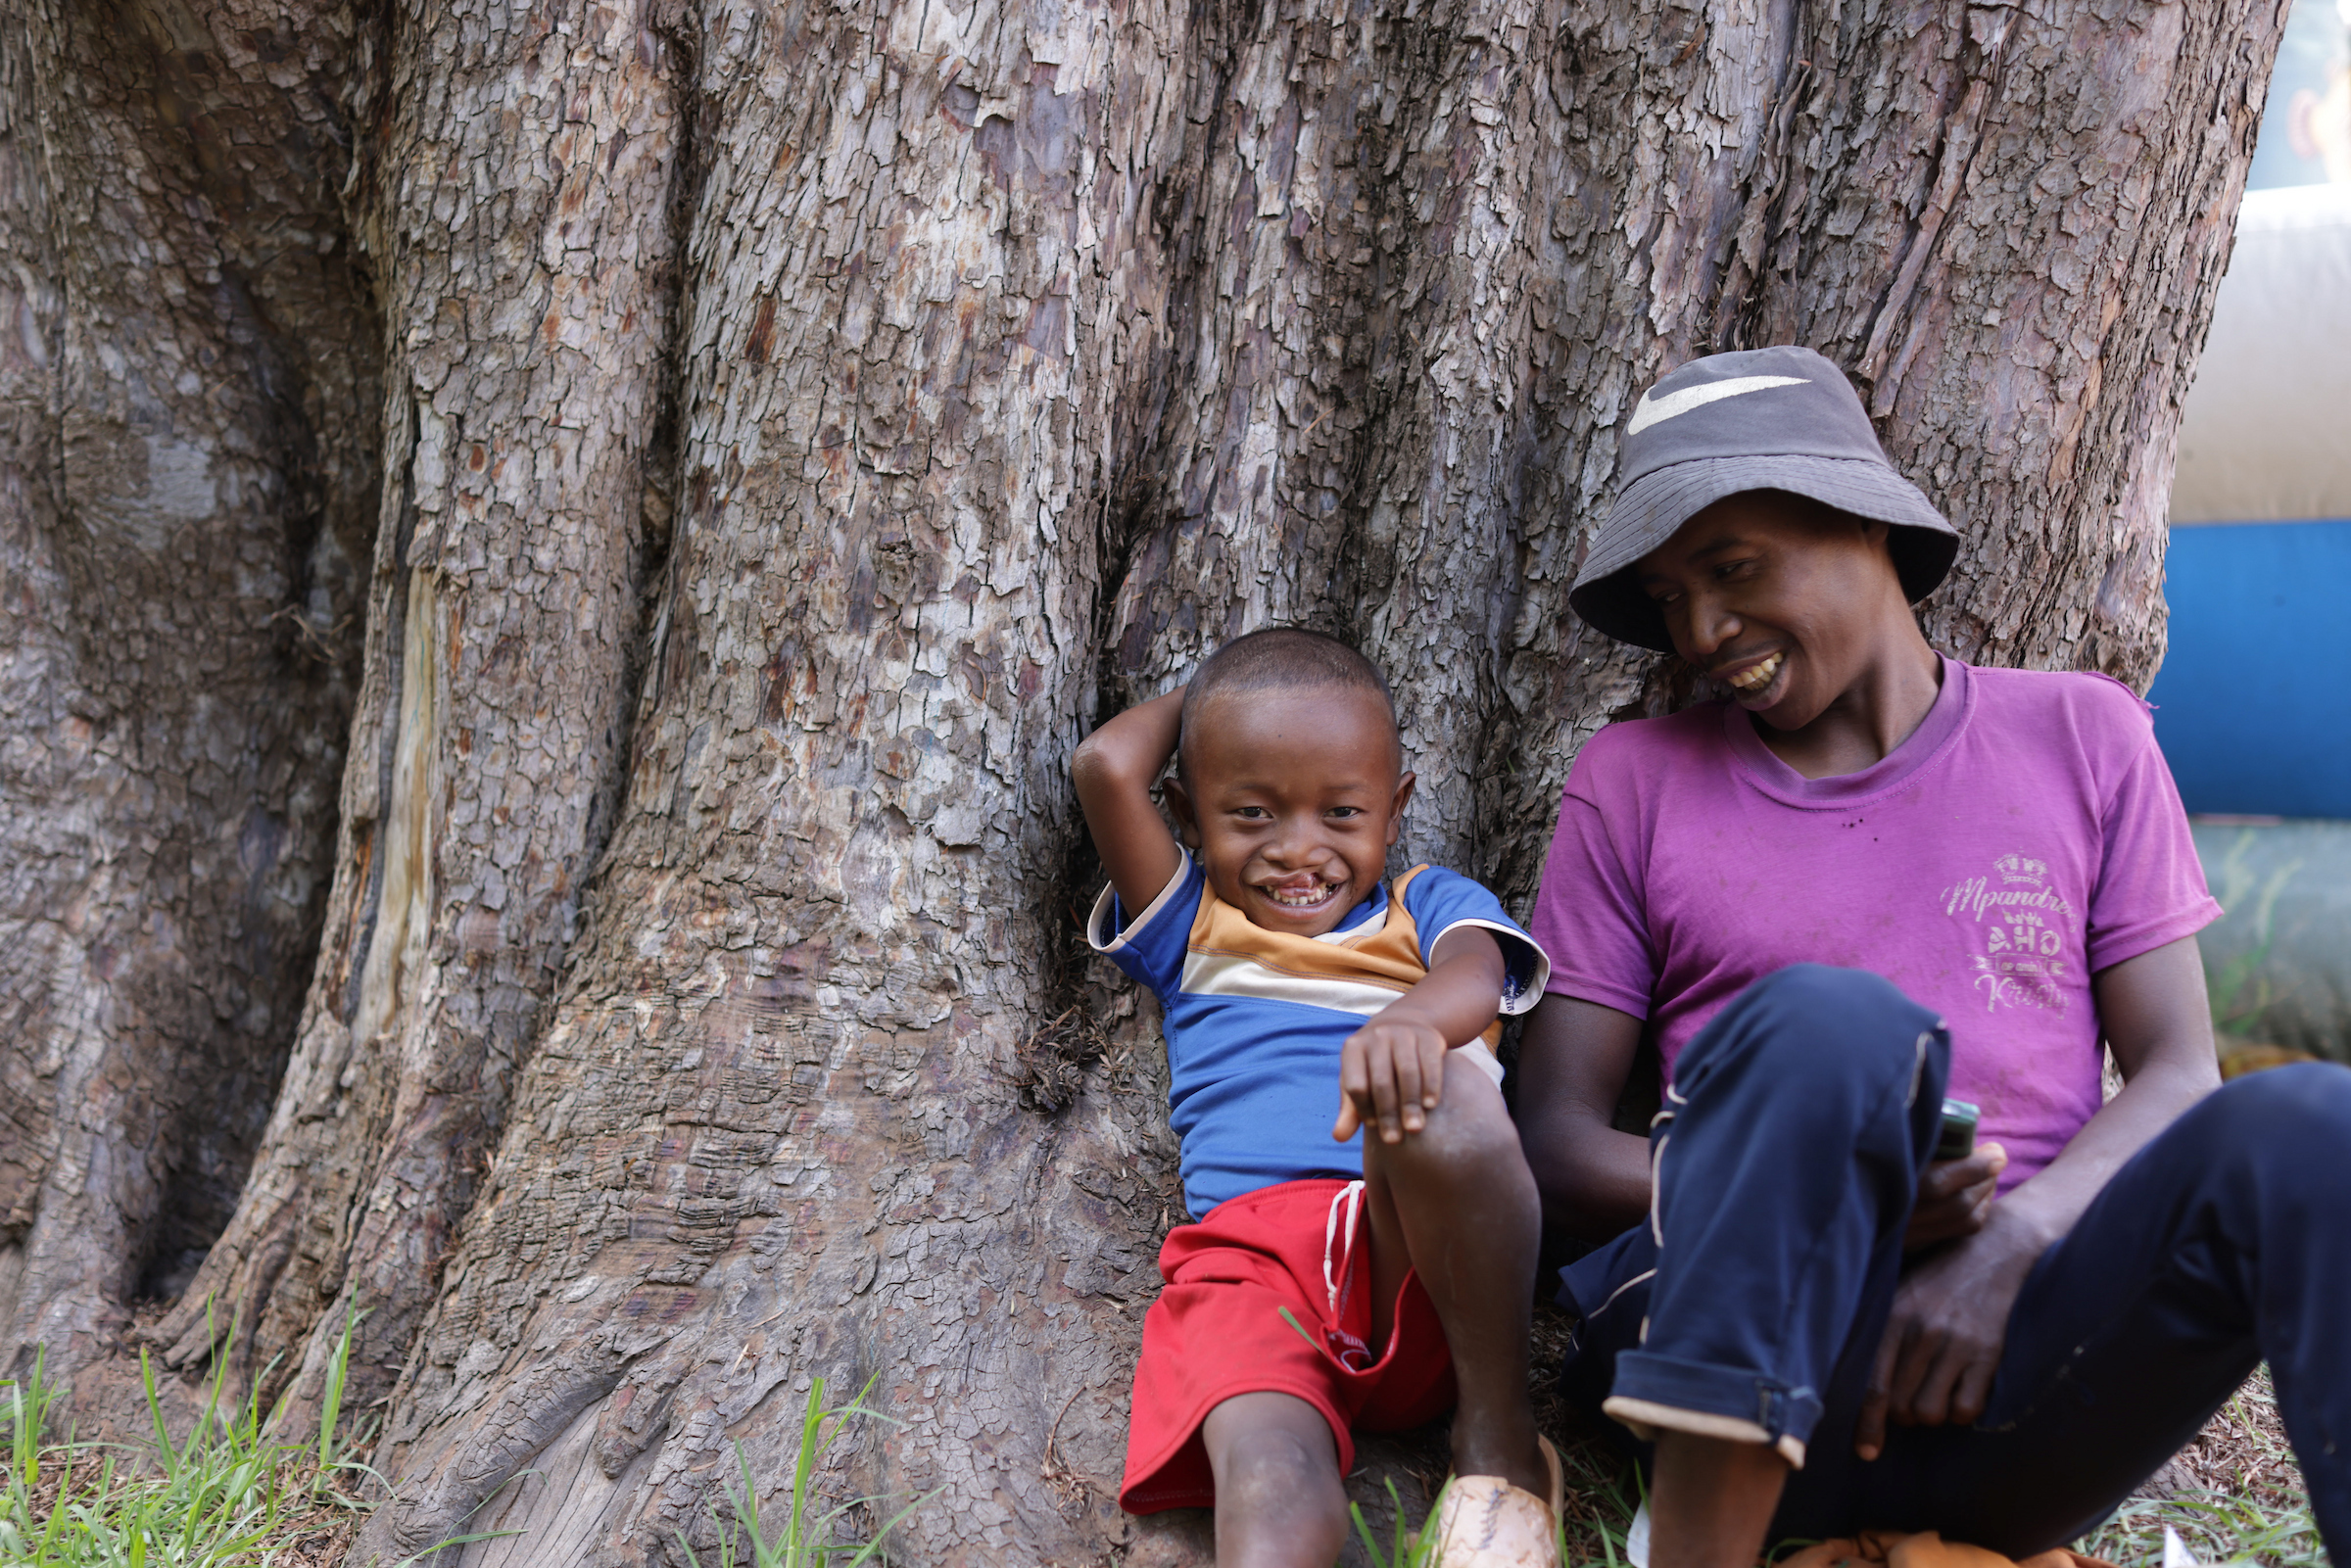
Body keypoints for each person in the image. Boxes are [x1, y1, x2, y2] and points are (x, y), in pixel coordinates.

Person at [1514, 345, 2351, 1568]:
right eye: (1670, 595)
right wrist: (1812, 1192)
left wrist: (2017, 1244)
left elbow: (2178, 1072)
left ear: (1865, 522)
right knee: (1834, 1024)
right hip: (1758, 1376)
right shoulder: (1633, 781)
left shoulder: (2082, 734)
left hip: (2010, 1369)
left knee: (2315, 1126)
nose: (1698, 630)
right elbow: (1552, 1143)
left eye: (1733, 570)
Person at [1076, 629, 1561, 1568]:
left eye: (1342, 811)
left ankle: (1501, 1447)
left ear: (1397, 805)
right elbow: (1105, 764)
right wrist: (1221, 694)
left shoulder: (1425, 904)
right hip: (1250, 1272)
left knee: (1449, 1095)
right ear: (1188, 808)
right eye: (1251, 812)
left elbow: (1479, 969)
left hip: (1414, 1250)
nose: (1299, 850)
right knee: (1267, 1477)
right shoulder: (1193, 927)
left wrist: (1412, 1026)